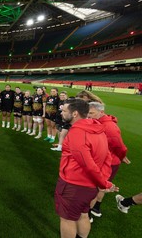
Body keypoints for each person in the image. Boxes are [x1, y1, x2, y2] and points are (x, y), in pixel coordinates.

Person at [54, 98, 118, 238]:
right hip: (89, 186)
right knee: (83, 214)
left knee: (67, 219)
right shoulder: (97, 128)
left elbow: (88, 165)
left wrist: (104, 183)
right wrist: (103, 181)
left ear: (75, 113)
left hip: (74, 185)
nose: (62, 113)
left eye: (64, 110)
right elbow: (107, 157)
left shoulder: (78, 133)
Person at [87, 102, 130, 219]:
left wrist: (122, 156)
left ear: (101, 112)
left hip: (109, 163)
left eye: (91, 113)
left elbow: (119, 146)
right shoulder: (97, 122)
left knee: (96, 188)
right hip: (101, 161)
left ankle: (88, 214)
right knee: (97, 187)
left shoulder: (109, 126)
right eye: (88, 113)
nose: (88, 115)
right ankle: (95, 208)